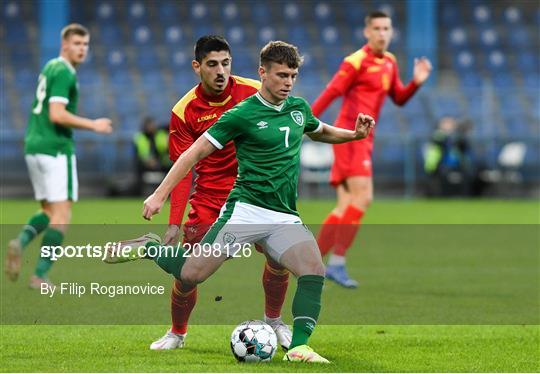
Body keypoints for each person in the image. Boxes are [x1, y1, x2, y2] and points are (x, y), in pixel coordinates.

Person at [107, 41, 374, 363]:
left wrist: (354, 135)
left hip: (283, 215)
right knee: (192, 274)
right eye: (281, 75)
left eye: (293, 75)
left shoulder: (298, 108)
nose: (288, 82)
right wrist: (159, 194)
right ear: (263, 73)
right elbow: (193, 153)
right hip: (245, 210)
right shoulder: (242, 114)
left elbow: (319, 131)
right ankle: (150, 248)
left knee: (313, 270)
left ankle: (300, 347)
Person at [146, 36, 292, 351]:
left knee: (279, 257)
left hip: (256, 194)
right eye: (212, 64)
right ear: (197, 67)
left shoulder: (255, 91)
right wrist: (174, 222)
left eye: (226, 63)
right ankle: (177, 333)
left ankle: (275, 321)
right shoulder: (185, 111)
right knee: (188, 274)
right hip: (210, 198)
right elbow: (184, 168)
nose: (221, 71)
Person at [311, 10, 433, 288]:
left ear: (391, 32)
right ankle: (337, 264)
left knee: (345, 205)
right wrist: (307, 122)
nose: (382, 33)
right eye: (376, 28)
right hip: (351, 137)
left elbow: (399, 98)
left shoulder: (390, 62)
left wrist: (416, 82)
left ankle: (311, 264)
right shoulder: (355, 61)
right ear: (367, 32)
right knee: (363, 197)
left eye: (386, 28)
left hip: (365, 138)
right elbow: (332, 92)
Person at [5, 23, 113, 288]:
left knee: (48, 210)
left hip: (33, 145)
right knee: (62, 215)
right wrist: (93, 125)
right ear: (64, 45)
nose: (82, 49)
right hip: (55, 148)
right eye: (77, 44)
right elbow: (57, 114)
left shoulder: (50, 67)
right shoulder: (64, 72)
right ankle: (39, 275)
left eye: (85, 44)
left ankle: (19, 242)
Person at [133, 117, 171, 195]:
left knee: (171, 165)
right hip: (145, 165)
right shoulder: (140, 137)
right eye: (150, 125)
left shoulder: (160, 134)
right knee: (140, 167)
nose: (152, 127)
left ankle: (169, 192)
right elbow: (142, 153)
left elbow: (165, 149)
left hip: (161, 163)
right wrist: (149, 161)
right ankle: (140, 193)